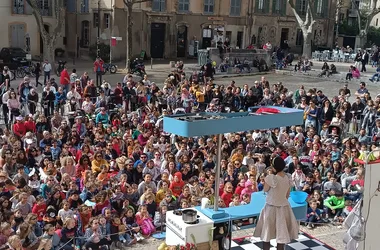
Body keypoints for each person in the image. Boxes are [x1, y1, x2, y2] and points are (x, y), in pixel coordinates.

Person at [253, 156, 299, 250]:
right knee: (281, 235)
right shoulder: (288, 177)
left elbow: (265, 190)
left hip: (271, 208)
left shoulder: (271, 178)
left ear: (274, 167)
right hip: (284, 207)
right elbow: (287, 194)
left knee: (267, 234)